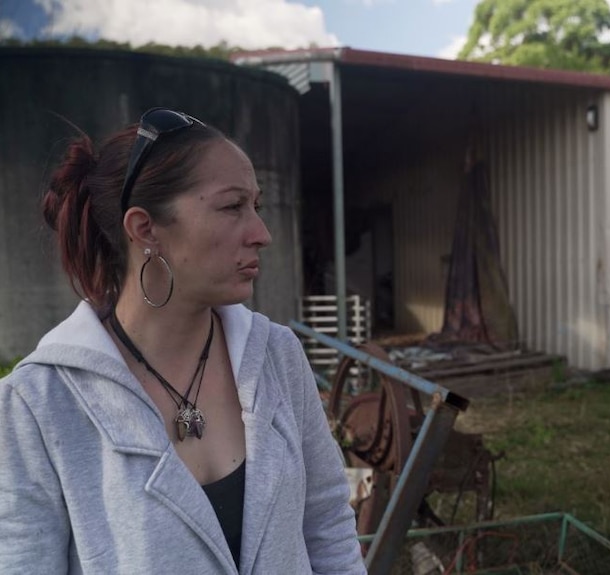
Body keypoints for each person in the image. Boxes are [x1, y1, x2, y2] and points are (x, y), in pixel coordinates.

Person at [0, 108, 366, 574]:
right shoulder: (38, 404)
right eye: (233, 206)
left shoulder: (276, 355)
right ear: (145, 229)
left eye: (257, 206)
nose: (262, 234)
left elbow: (328, 526)